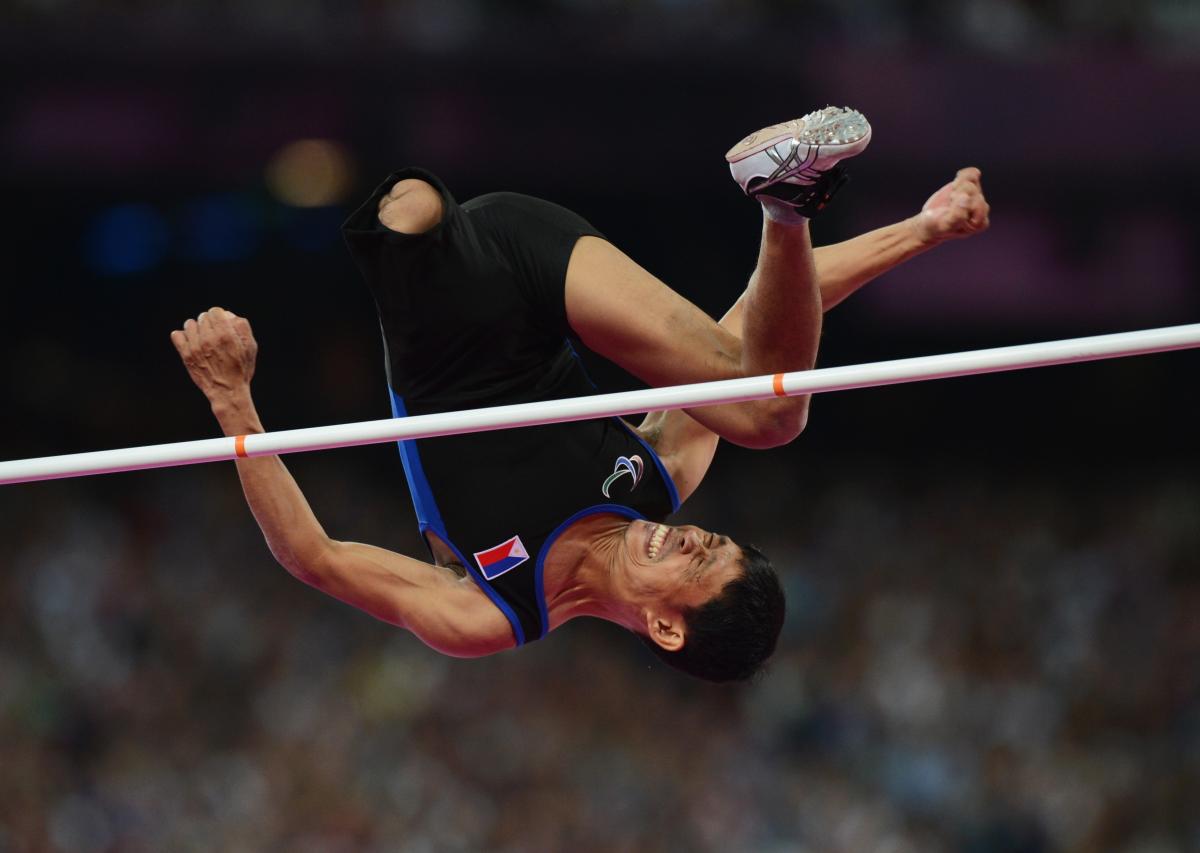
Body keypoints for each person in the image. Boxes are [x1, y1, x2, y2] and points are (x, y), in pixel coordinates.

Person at [171, 107, 990, 683]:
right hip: (539, 260)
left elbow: (314, 558)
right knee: (769, 406)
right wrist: (923, 230)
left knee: (410, 206)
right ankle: (787, 201)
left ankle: (782, 203)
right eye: (709, 536)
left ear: (668, 627)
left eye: (697, 559)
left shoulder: (493, 613)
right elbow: (762, 324)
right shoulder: (658, 474)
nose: (687, 535)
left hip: (436, 303)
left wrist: (232, 401)